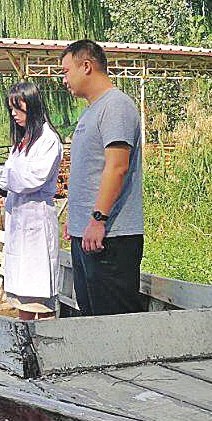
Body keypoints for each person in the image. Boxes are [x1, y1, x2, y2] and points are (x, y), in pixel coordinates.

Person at [61, 39, 144, 316]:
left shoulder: (116, 106)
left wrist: (98, 219)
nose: (64, 80)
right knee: (92, 316)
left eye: (65, 71)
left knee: (113, 321)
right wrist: (74, 221)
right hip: (87, 235)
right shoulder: (90, 111)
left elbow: (116, 167)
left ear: (86, 66)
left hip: (111, 236)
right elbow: (89, 171)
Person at [0, 82, 62, 321]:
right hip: (19, 220)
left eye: (18, 108)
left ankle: (46, 344)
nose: (14, 114)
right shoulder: (23, 140)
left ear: (32, 105)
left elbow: (32, 178)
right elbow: (14, 173)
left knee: (39, 293)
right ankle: (25, 343)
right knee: (22, 293)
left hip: (36, 219)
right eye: (11, 109)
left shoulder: (48, 140)